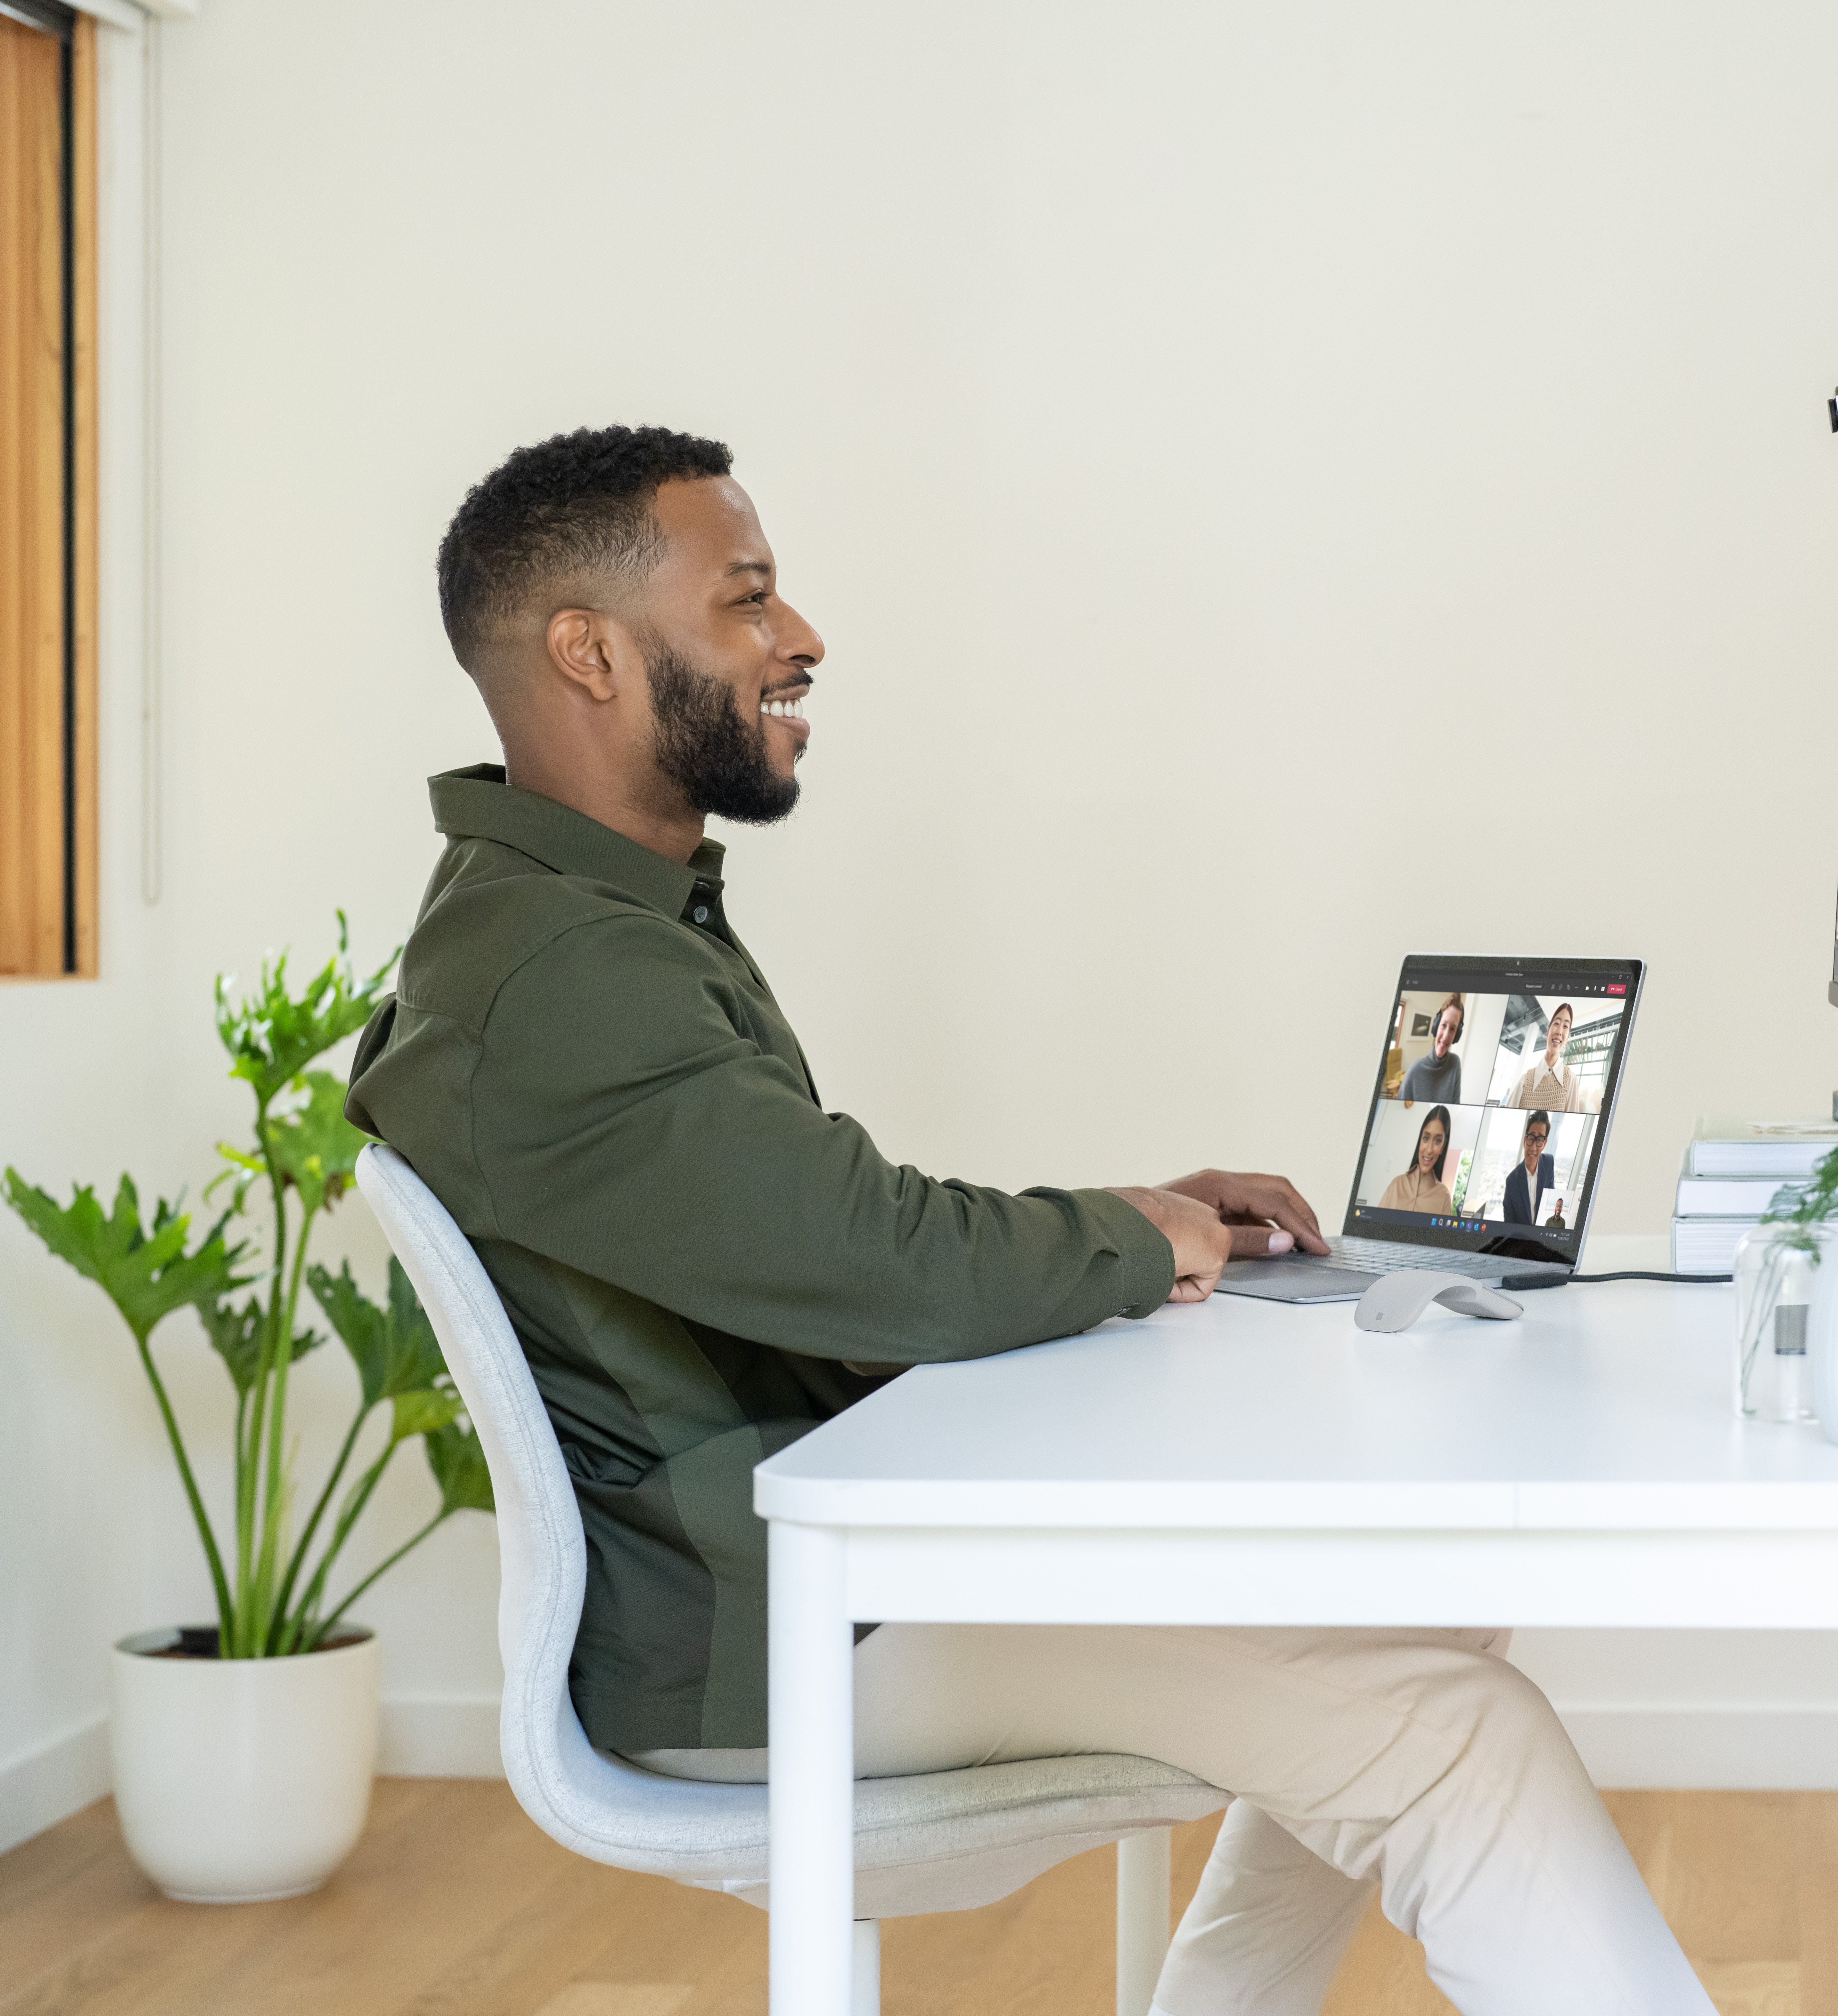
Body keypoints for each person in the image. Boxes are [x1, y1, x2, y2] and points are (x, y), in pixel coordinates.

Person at [346, 428, 1716, 2016]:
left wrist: (1139, 1217)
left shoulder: (583, 927)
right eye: (746, 600)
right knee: (1458, 1741)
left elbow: (804, 1225)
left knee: (1425, 1610)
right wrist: (1135, 1243)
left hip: (817, 1568)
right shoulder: (560, 978)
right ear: (585, 651)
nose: (797, 641)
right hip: (774, 1637)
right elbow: (874, 1258)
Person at [1374, 1106, 1456, 1213]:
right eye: (1426, 1139)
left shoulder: (1444, 1197)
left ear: (1443, 1147)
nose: (1429, 1150)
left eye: (1438, 1141)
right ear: (1421, 1140)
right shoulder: (1397, 1184)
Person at [1508, 1001, 1584, 1111]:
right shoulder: (1525, 1081)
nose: (1559, 1031)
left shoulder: (1571, 1080)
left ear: (1567, 1039)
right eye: (1557, 1024)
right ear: (1548, 1033)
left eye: (1566, 1026)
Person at [1398, 993, 1465, 1103]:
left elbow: (1454, 1108)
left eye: (1453, 1029)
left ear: (1457, 1035)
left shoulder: (1455, 1064)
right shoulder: (1415, 1070)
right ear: (1436, 1026)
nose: (1446, 1036)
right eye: (1444, 1025)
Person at [1500, 1112, 1557, 1226]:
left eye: (1540, 1140)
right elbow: (1508, 1225)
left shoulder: (1549, 1163)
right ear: (1525, 1141)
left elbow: (1551, 1202)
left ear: (1545, 1144)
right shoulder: (1512, 1181)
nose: (1534, 1148)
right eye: (1531, 1138)